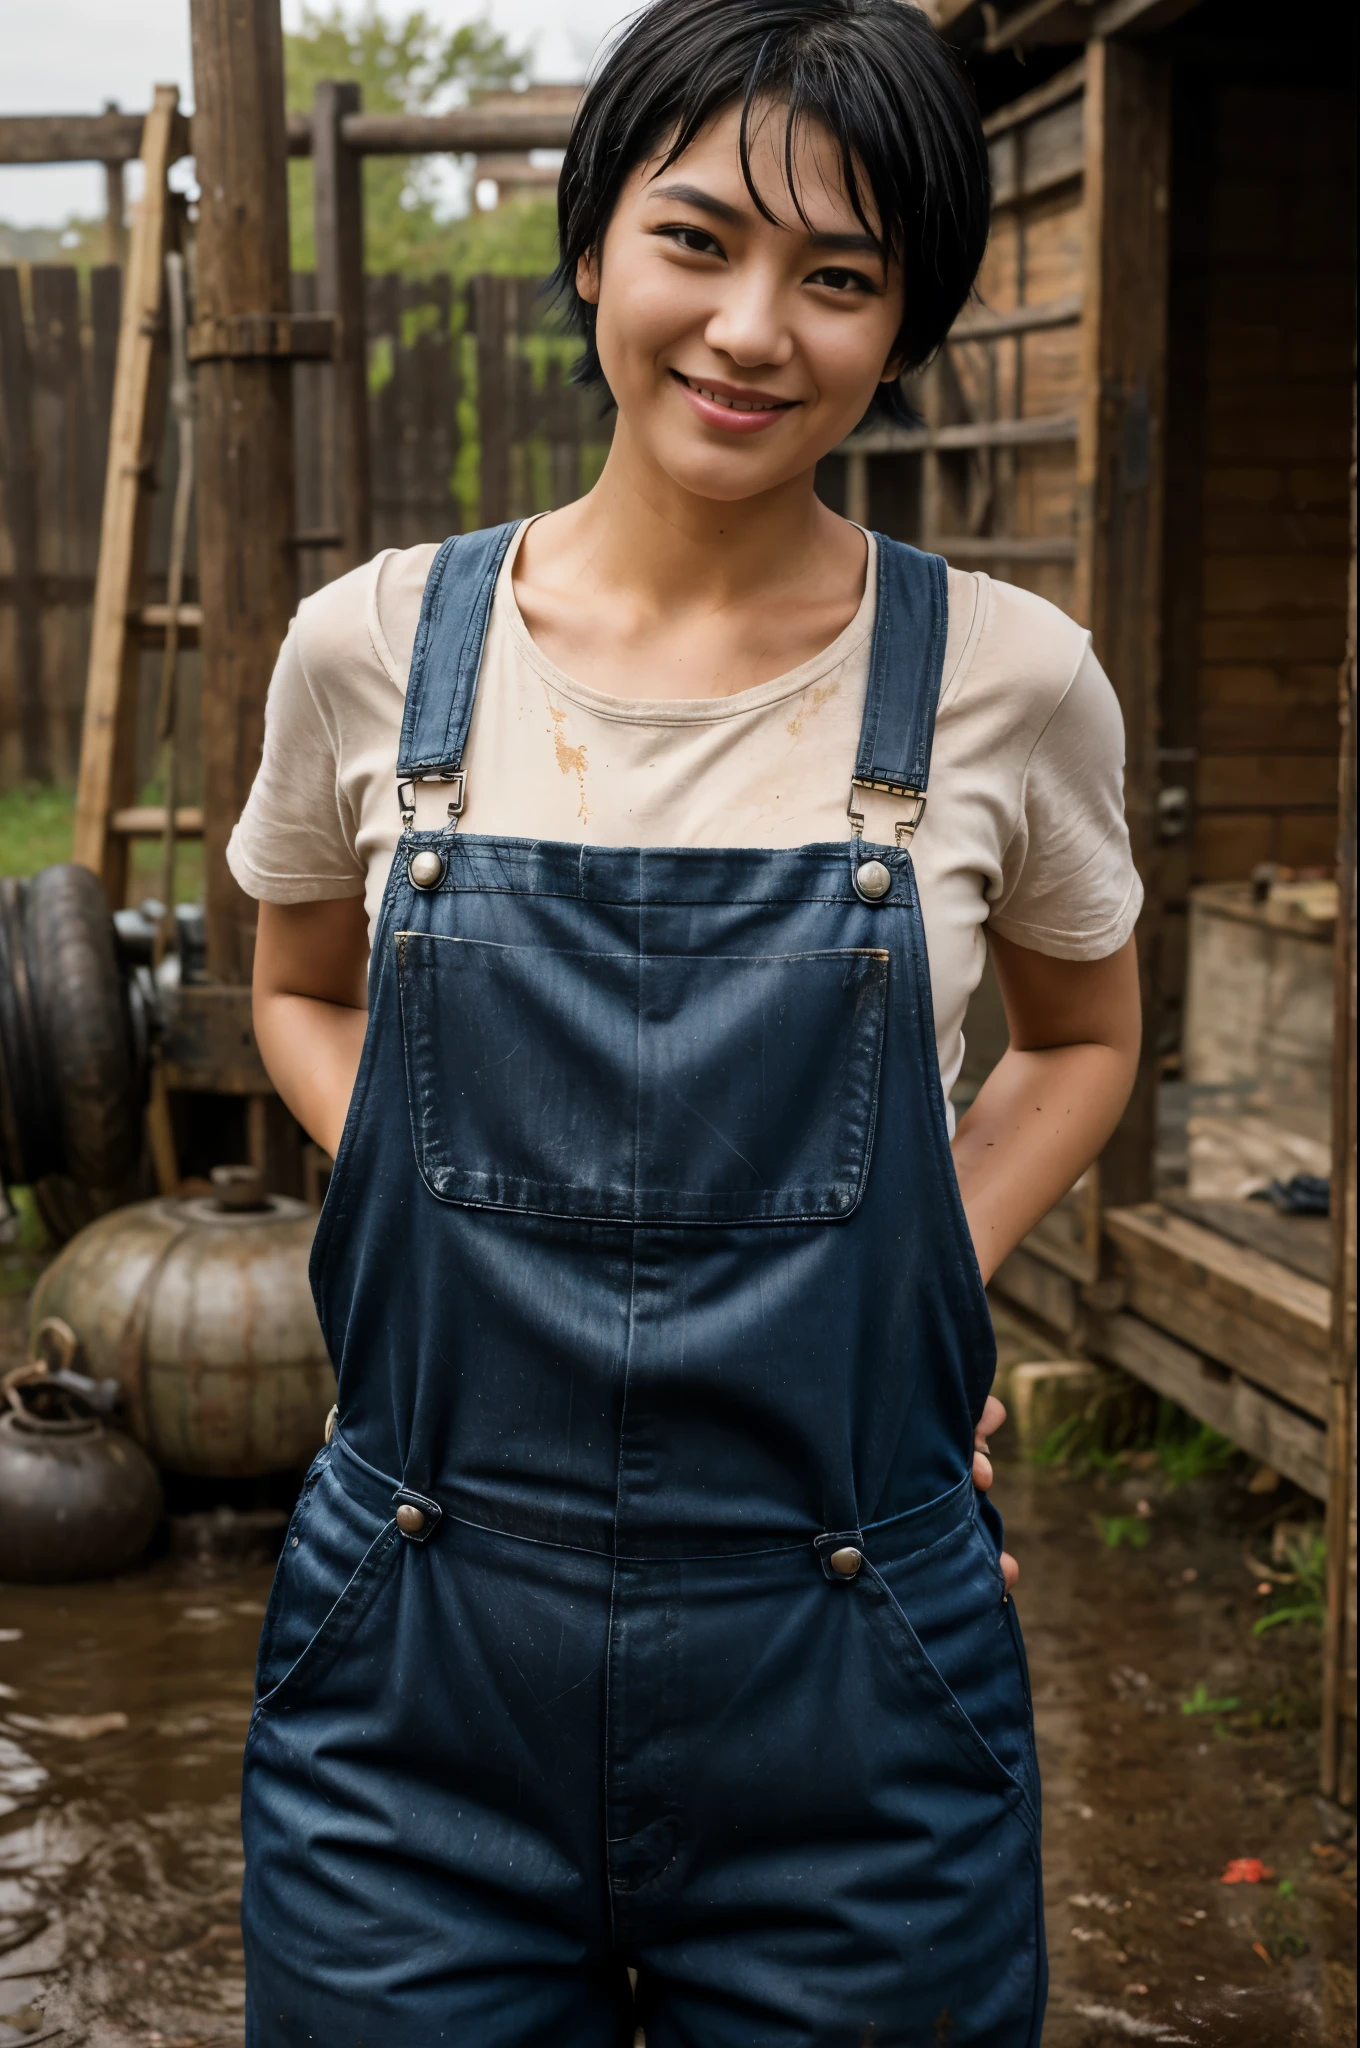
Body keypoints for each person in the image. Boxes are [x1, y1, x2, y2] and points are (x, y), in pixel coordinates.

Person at [234, 1, 1141, 2040]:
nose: (751, 329)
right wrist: (413, 1154)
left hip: (849, 1684)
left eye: (838, 277)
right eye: (695, 240)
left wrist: (935, 1262)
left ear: (901, 326)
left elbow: (1082, 1036)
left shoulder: (1005, 681)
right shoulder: (372, 650)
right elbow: (295, 982)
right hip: (414, 1683)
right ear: (587, 246)